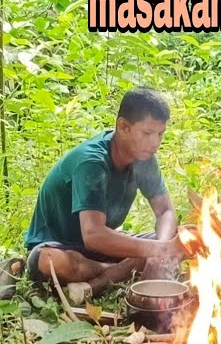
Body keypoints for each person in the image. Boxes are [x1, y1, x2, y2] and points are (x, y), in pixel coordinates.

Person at [23, 88, 184, 302]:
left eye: (160, 134)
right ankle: (119, 269)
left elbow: (165, 211)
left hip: (104, 246)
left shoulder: (145, 159)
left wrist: (162, 247)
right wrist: (157, 250)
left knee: (182, 236)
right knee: (49, 262)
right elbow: (93, 236)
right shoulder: (92, 162)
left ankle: (107, 276)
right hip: (60, 246)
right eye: (147, 133)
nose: (155, 142)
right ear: (123, 126)